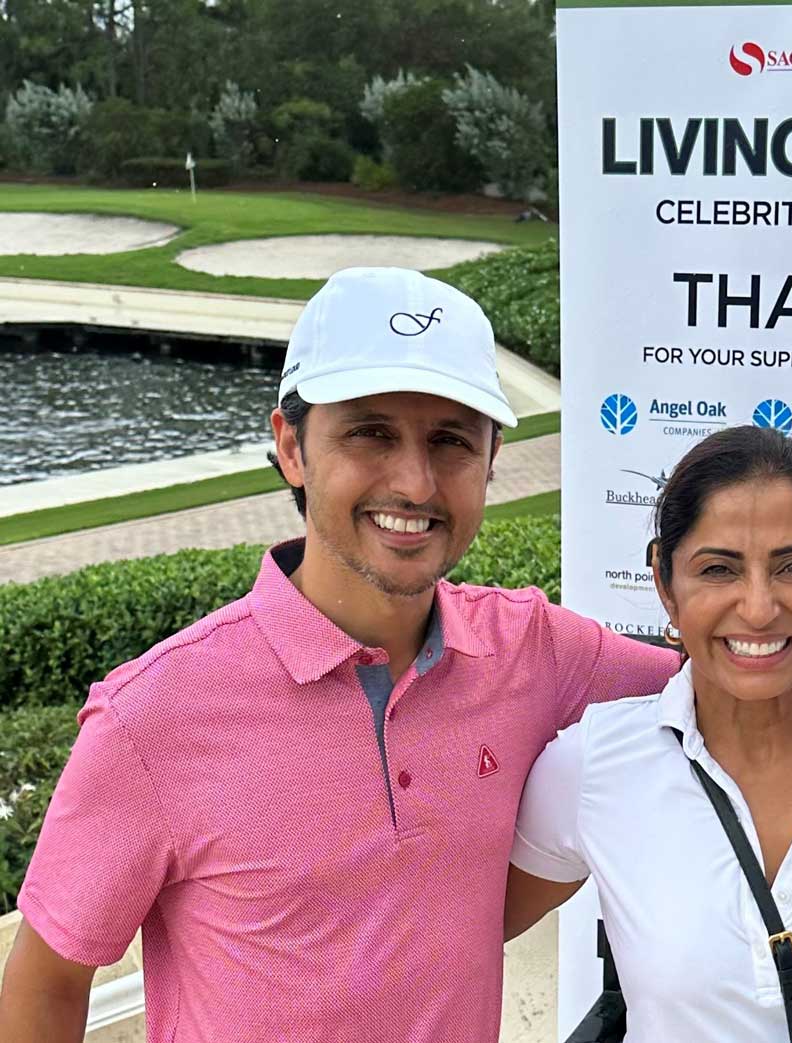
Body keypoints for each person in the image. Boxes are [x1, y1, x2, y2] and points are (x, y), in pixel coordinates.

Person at [0, 267, 682, 1042]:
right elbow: (45, 988)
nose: (415, 480)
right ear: (290, 446)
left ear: (491, 459)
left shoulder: (535, 649)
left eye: (452, 440)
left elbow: (723, 691)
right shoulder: (152, 715)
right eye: (371, 432)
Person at [502, 425, 792, 1042]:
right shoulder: (597, 763)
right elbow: (458, 941)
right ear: (664, 585)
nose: (757, 608)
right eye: (719, 569)